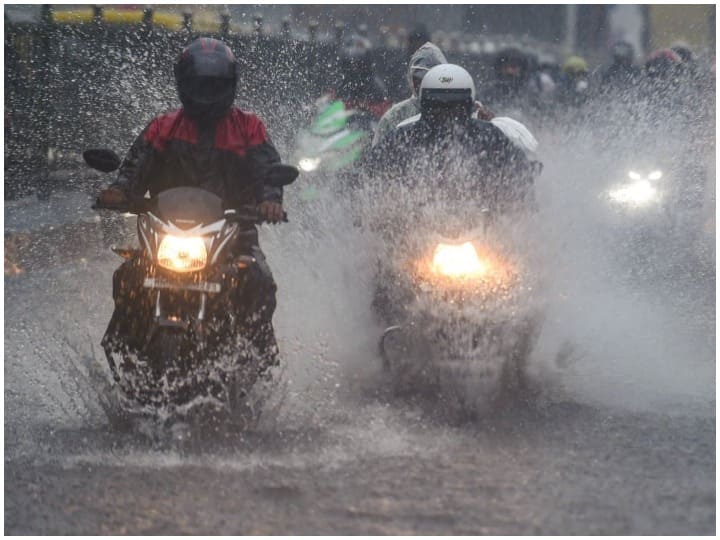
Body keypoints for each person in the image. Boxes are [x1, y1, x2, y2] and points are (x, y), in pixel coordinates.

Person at [96, 37, 285, 374]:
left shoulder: (249, 127)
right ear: (183, 83)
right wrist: (118, 190)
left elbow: (268, 170)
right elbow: (134, 167)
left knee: (258, 281)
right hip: (165, 232)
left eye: (213, 85)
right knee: (128, 276)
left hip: (233, 232)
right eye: (199, 84)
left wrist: (270, 201)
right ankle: (122, 350)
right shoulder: (163, 127)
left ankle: (259, 362)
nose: (205, 92)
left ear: (230, 86)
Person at [366, 64, 538, 212]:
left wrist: (515, 198)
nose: (446, 115)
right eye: (437, 107)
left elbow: (519, 171)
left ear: (469, 106)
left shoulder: (490, 137)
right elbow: (370, 173)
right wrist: (383, 208)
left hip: (482, 231)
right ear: (425, 106)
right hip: (417, 232)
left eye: (455, 107)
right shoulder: (403, 139)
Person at [372, 42, 447, 147]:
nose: (422, 85)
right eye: (418, 79)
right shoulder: (394, 116)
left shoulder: (455, 111)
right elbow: (377, 156)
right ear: (411, 79)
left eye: (429, 78)